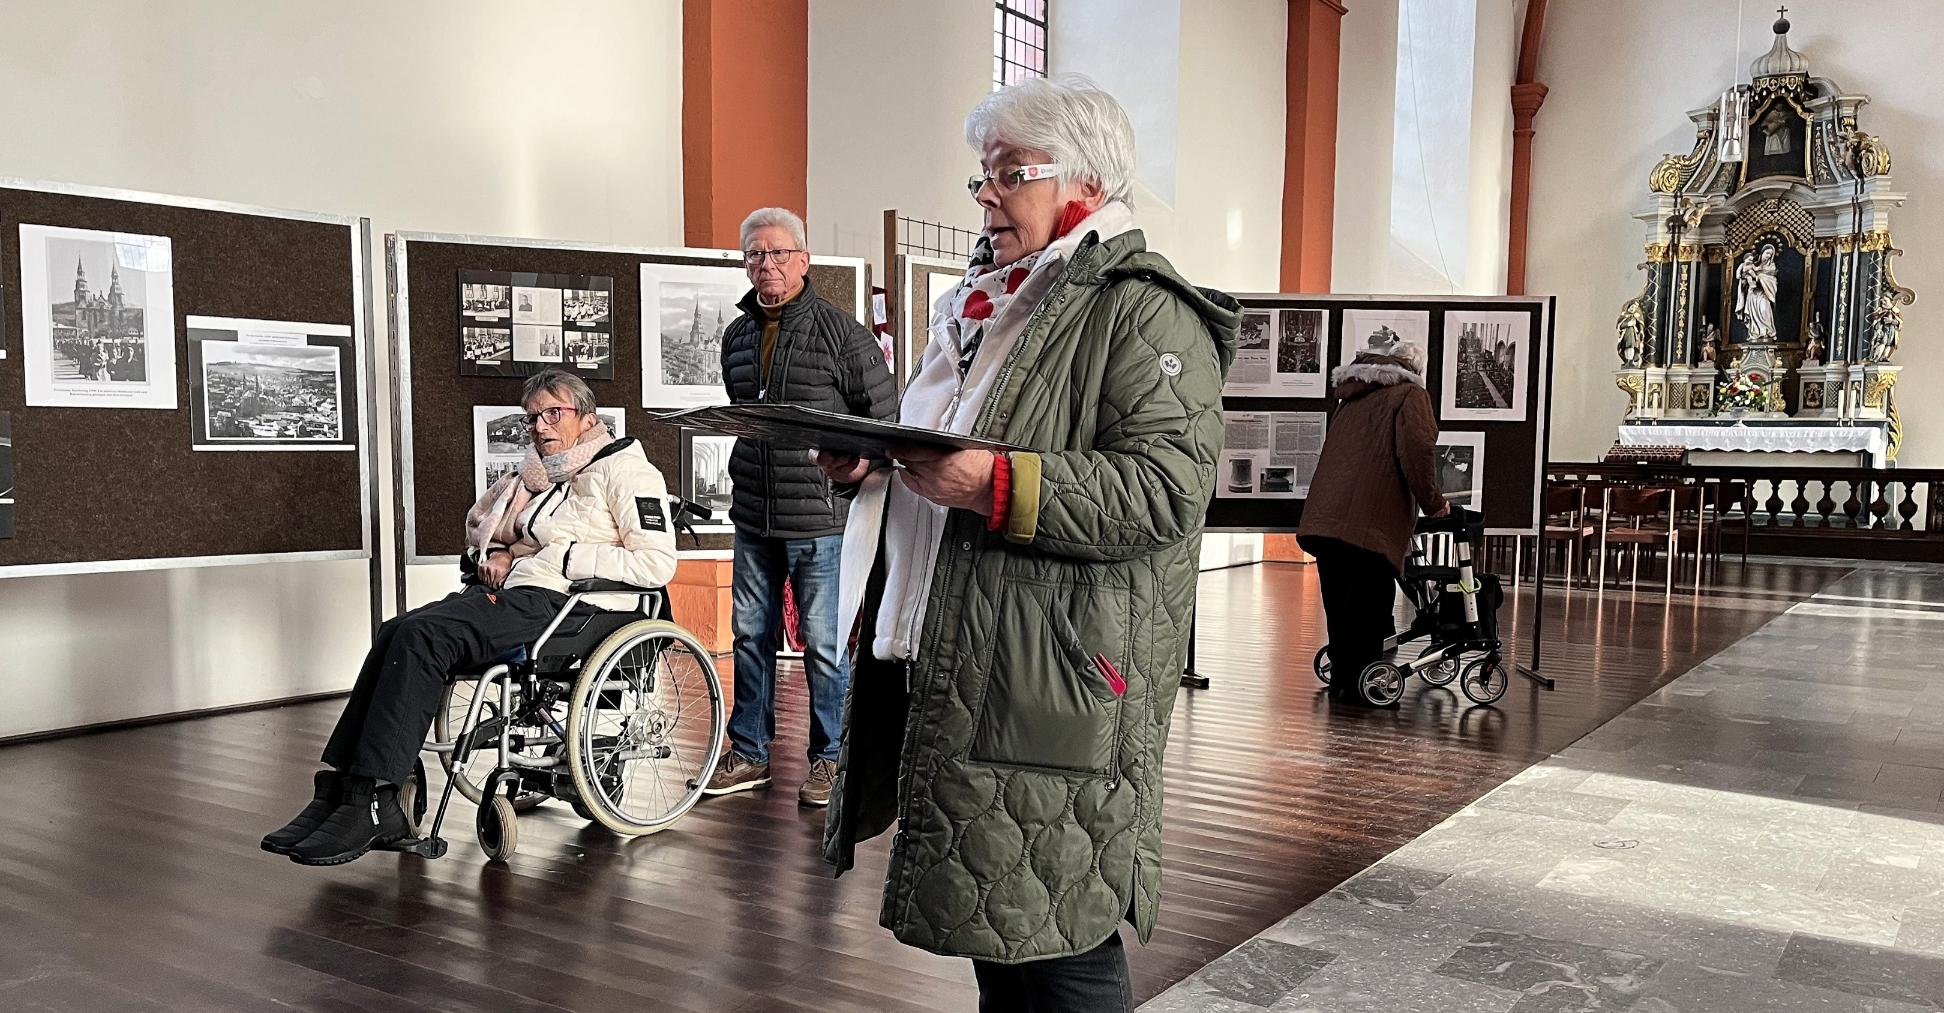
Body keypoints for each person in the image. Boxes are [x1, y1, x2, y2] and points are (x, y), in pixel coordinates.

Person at [818, 77, 1239, 1012]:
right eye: (983, 175)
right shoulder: (992, 303)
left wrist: (995, 482)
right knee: (1002, 932)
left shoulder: (1140, 309)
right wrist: (876, 471)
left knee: (1057, 944)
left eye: (1011, 173)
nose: (986, 195)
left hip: (1052, 676)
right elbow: (946, 446)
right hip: (970, 658)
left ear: (1083, 181)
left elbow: (1165, 490)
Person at [260, 369, 677, 865]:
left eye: (553, 413)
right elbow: (534, 539)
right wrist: (507, 555)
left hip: (582, 609)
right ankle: (341, 791)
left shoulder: (628, 472)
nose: (540, 426)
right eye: (532, 418)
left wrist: (562, 559)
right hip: (534, 596)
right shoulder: (561, 475)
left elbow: (656, 564)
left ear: (588, 418)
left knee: (424, 638)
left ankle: (379, 799)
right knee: (397, 629)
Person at [703, 207, 897, 807]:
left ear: (804, 260)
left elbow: (886, 419)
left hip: (819, 519)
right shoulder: (735, 338)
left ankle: (830, 757)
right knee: (749, 637)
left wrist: (857, 469)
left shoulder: (843, 335)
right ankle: (751, 752)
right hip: (753, 515)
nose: (767, 265)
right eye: (755, 255)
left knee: (825, 644)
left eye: (779, 253)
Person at [1297, 342, 1448, 706]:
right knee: (1370, 606)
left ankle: (1345, 682)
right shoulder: (1410, 395)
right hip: (1370, 522)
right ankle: (1367, 687)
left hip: (1325, 519)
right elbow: (1418, 451)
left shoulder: (1351, 396)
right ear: (1414, 368)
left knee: (1340, 604)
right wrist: (1435, 504)